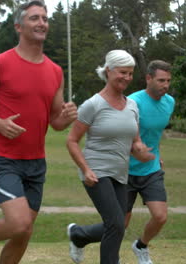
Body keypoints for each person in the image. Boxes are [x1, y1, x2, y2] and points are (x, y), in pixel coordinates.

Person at [0, 1, 77, 263]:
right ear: (19, 26)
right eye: (34, 18)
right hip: (2, 158)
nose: (42, 23)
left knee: (23, 232)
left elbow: (55, 122)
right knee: (20, 223)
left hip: (36, 162)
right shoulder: (0, 63)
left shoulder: (56, 72)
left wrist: (67, 117)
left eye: (45, 18)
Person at [65, 50, 154, 264]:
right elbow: (72, 140)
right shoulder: (93, 105)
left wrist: (141, 151)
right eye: (122, 72)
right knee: (115, 223)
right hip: (96, 171)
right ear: (108, 71)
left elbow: (135, 140)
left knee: (118, 224)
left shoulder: (132, 106)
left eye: (130, 73)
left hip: (120, 173)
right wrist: (86, 169)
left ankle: (78, 235)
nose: (127, 78)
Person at [124, 60, 174, 264]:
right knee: (119, 224)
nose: (166, 85)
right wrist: (136, 151)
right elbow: (120, 135)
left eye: (168, 81)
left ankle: (141, 245)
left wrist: (155, 152)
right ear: (148, 78)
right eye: (161, 80)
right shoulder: (132, 102)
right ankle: (81, 236)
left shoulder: (170, 102)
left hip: (151, 168)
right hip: (125, 169)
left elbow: (154, 133)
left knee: (160, 216)